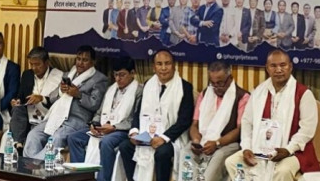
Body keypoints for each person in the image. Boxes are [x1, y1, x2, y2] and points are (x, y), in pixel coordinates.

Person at [225, 50, 320, 181]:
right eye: (273, 66)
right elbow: (247, 122)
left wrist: (288, 149)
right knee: (231, 162)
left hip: (294, 152)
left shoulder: (303, 94)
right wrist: (247, 148)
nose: (278, 70)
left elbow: (307, 130)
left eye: (283, 65)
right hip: (260, 149)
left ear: (290, 67)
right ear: (267, 68)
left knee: (282, 170)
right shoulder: (258, 92)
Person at [118, 50, 194, 181]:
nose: (163, 68)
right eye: (159, 64)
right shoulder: (148, 84)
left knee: (162, 152)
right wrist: (134, 132)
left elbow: (185, 120)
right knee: (125, 146)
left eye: (167, 63)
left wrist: (163, 138)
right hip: (146, 135)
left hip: (172, 137)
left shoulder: (184, 87)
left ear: (174, 65)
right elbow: (138, 112)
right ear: (154, 67)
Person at [24, 45, 108, 159]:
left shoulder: (99, 79)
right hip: (57, 116)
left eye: (85, 60)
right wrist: (60, 90)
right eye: (78, 59)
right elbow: (52, 98)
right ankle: (31, 164)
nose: (80, 63)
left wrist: (78, 94)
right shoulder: (68, 74)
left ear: (93, 62)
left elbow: (95, 104)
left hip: (77, 120)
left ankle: (39, 165)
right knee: (33, 135)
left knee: (57, 138)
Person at [67, 60, 142, 181]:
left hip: (122, 130)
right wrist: (94, 124)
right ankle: (80, 178)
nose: (118, 79)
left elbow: (134, 119)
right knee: (74, 138)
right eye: (115, 74)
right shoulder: (111, 89)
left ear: (132, 73)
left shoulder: (139, 91)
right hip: (103, 127)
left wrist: (115, 127)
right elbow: (99, 112)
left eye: (122, 75)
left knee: (106, 142)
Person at [189, 60, 250, 181]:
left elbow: (240, 130)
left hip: (229, 143)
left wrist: (217, 143)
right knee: (186, 152)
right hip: (204, 141)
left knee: (218, 156)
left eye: (220, 83)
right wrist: (196, 141)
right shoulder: (205, 94)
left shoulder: (242, 96)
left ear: (230, 78)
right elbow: (195, 124)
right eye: (213, 83)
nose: (216, 87)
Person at [9, 47, 63, 153]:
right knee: (17, 109)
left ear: (47, 63)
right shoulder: (27, 75)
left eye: (37, 64)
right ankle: (18, 144)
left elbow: (59, 102)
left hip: (48, 117)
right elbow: (21, 96)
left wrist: (42, 98)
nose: (34, 68)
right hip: (29, 116)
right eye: (31, 64)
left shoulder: (58, 76)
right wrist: (16, 101)